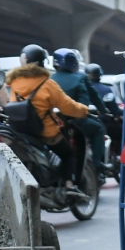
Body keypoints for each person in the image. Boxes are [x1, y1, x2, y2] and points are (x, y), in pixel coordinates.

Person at [4, 56, 91, 198]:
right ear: (43, 62)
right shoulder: (47, 83)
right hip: (44, 132)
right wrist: (84, 110)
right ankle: (69, 185)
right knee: (68, 154)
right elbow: (67, 106)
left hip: (21, 131)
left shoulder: (14, 82)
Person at [49, 48, 110, 177]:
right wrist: (103, 110)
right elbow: (89, 100)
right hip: (76, 121)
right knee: (99, 128)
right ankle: (97, 163)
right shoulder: (80, 78)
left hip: (55, 122)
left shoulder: (49, 79)